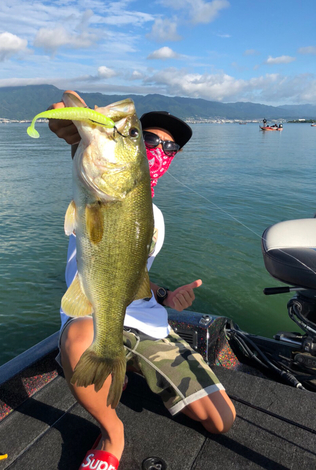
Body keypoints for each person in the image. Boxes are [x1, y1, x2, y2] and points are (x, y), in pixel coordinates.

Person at [49, 91, 236, 470]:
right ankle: (112, 433)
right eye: (147, 139)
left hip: (149, 322)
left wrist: (165, 297)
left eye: (171, 147)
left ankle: (135, 366)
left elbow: (133, 277)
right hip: (95, 312)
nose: (160, 150)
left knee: (221, 421)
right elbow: (72, 127)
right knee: (79, 340)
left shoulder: (156, 219)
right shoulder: (95, 181)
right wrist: (73, 127)